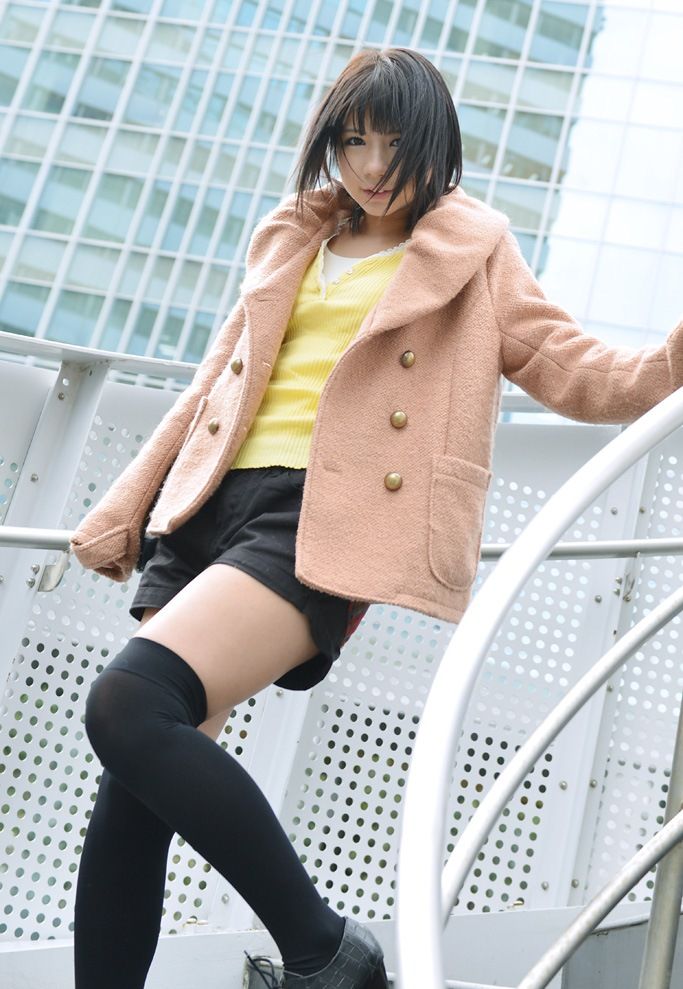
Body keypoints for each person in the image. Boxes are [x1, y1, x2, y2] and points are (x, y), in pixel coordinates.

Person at [69, 47, 683, 989]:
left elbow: (576, 370)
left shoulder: (471, 252)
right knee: (136, 784)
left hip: (316, 521)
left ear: (435, 144)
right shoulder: (294, 235)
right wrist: (127, 508)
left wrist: (670, 360)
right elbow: (215, 383)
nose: (370, 165)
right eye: (352, 141)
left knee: (126, 703)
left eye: (392, 143)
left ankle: (325, 947)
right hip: (207, 510)